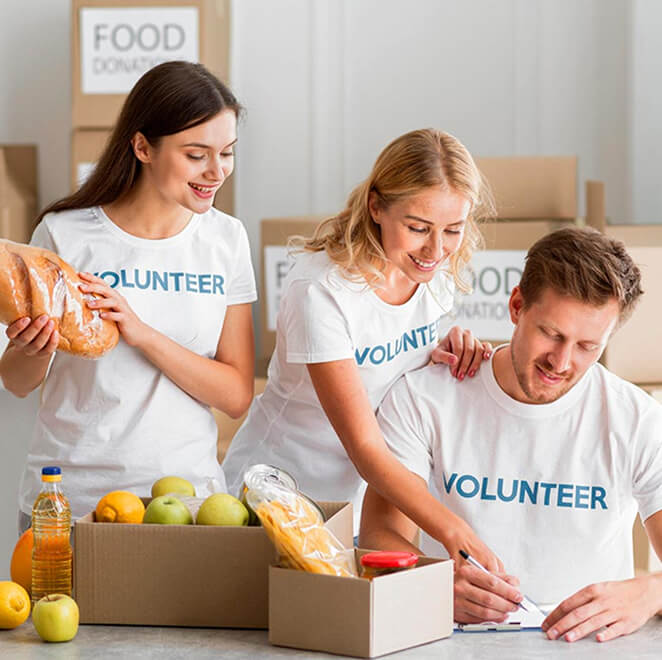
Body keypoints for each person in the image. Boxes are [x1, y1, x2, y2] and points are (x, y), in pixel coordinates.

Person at [360, 226, 662, 643]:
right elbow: (377, 532)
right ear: (517, 305)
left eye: (587, 346)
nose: (561, 361)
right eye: (551, 334)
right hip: (448, 640)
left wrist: (650, 592)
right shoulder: (425, 397)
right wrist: (429, 582)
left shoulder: (638, 419)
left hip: (589, 650)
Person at [223, 128, 502, 568]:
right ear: (376, 206)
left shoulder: (433, 276)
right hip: (276, 495)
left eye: (453, 229)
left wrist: (442, 351)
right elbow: (366, 448)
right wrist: (453, 530)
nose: (436, 249)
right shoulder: (321, 292)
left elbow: (397, 373)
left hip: (360, 504)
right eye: (417, 227)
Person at [0, 62, 256, 531]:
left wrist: (142, 334)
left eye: (227, 153)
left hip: (186, 503)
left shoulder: (226, 240)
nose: (217, 172)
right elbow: (17, 382)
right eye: (197, 154)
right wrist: (32, 349)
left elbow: (237, 395)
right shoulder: (66, 234)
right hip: (69, 500)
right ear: (142, 147)